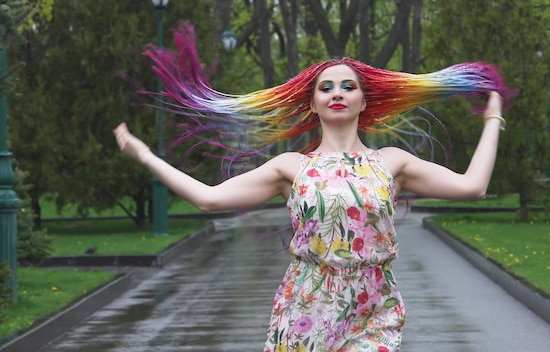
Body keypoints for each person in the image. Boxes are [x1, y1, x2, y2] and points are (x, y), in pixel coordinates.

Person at [114, 22, 509, 352]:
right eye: (326, 87)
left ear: (363, 101)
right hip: (306, 308)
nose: (337, 92)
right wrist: (145, 155)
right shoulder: (291, 168)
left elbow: (472, 186)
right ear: (313, 103)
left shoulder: (392, 162)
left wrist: (492, 121)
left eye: (348, 86)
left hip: (374, 309)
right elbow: (209, 198)